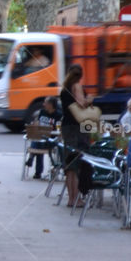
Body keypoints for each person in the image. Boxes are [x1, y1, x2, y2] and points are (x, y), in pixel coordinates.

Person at [59, 64, 96, 208]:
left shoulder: (64, 89)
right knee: (78, 164)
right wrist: (90, 100)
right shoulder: (77, 86)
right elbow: (81, 104)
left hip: (67, 127)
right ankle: (77, 199)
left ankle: (71, 198)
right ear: (80, 76)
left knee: (69, 166)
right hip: (78, 128)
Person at [24, 96, 60, 178]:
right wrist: (34, 125)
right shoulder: (42, 112)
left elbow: (59, 129)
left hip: (51, 140)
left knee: (37, 143)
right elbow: (37, 123)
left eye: (45, 103)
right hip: (40, 138)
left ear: (50, 105)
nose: (43, 104)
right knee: (38, 141)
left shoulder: (58, 115)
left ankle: (31, 159)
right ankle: (37, 172)